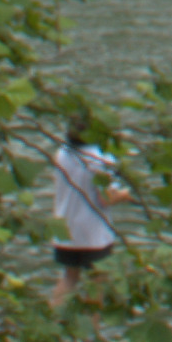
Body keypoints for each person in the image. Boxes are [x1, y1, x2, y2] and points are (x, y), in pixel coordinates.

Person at [44, 134, 121, 314]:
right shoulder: (101, 157)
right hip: (94, 235)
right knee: (98, 281)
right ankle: (92, 335)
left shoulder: (62, 153)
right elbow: (106, 198)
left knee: (69, 278)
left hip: (66, 229)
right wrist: (126, 194)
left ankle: (50, 325)